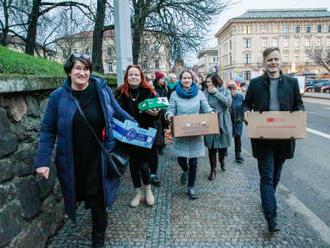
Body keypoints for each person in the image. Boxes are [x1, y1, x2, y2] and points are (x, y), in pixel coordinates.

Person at [34, 53, 135, 248]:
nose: (83, 72)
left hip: (99, 158)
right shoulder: (57, 97)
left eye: (86, 68)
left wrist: (136, 128)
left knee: (99, 202)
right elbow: (47, 130)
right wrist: (42, 161)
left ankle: (98, 242)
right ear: (69, 72)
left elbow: (118, 112)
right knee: (79, 195)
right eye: (78, 68)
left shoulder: (101, 89)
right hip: (73, 159)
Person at [243, 47, 305, 232]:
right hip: (263, 138)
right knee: (267, 177)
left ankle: (268, 200)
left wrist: (300, 114)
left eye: (276, 59)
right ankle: (271, 217)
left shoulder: (292, 83)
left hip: (284, 137)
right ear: (264, 62)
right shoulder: (255, 84)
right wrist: (245, 112)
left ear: (280, 61)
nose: (273, 62)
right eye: (269, 60)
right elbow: (246, 103)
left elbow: (299, 105)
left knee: (276, 176)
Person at [116, 65, 160, 207]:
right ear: (126, 77)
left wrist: (156, 113)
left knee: (144, 165)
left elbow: (157, 113)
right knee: (133, 166)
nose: (133, 77)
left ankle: (148, 191)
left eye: (136, 75)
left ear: (141, 77)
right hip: (128, 136)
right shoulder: (120, 93)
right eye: (130, 75)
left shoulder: (149, 91)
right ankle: (138, 193)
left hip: (145, 135)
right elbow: (114, 112)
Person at [166, 70, 213, 199]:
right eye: (184, 78)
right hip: (181, 132)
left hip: (195, 132)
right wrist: (169, 116)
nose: (186, 80)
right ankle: (184, 170)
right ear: (180, 80)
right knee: (181, 158)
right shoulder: (175, 94)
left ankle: (191, 187)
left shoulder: (199, 93)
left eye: (188, 78)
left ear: (192, 79)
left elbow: (206, 107)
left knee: (194, 160)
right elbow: (170, 109)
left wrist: (211, 113)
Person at [204, 73, 232, 181]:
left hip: (223, 121)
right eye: (206, 82)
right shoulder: (205, 93)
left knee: (223, 147)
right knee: (211, 148)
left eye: (209, 81)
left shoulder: (225, 90)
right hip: (210, 121)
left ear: (216, 81)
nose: (207, 84)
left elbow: (228, 104)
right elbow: (203, 105)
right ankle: (213, 170)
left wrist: (216, 93)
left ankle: (222, 161)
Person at [228, 83, 245, 163]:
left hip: (238, 121)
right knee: (227, 137)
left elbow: (244, 107)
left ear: (236, 89)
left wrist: (243, 118)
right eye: (230, 89)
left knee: (237, 138)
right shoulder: (226, 97)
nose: (232, 91)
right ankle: (224, 151)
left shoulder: (240, 97)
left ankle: (238, 155)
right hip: (228, 122)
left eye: (233, 89)